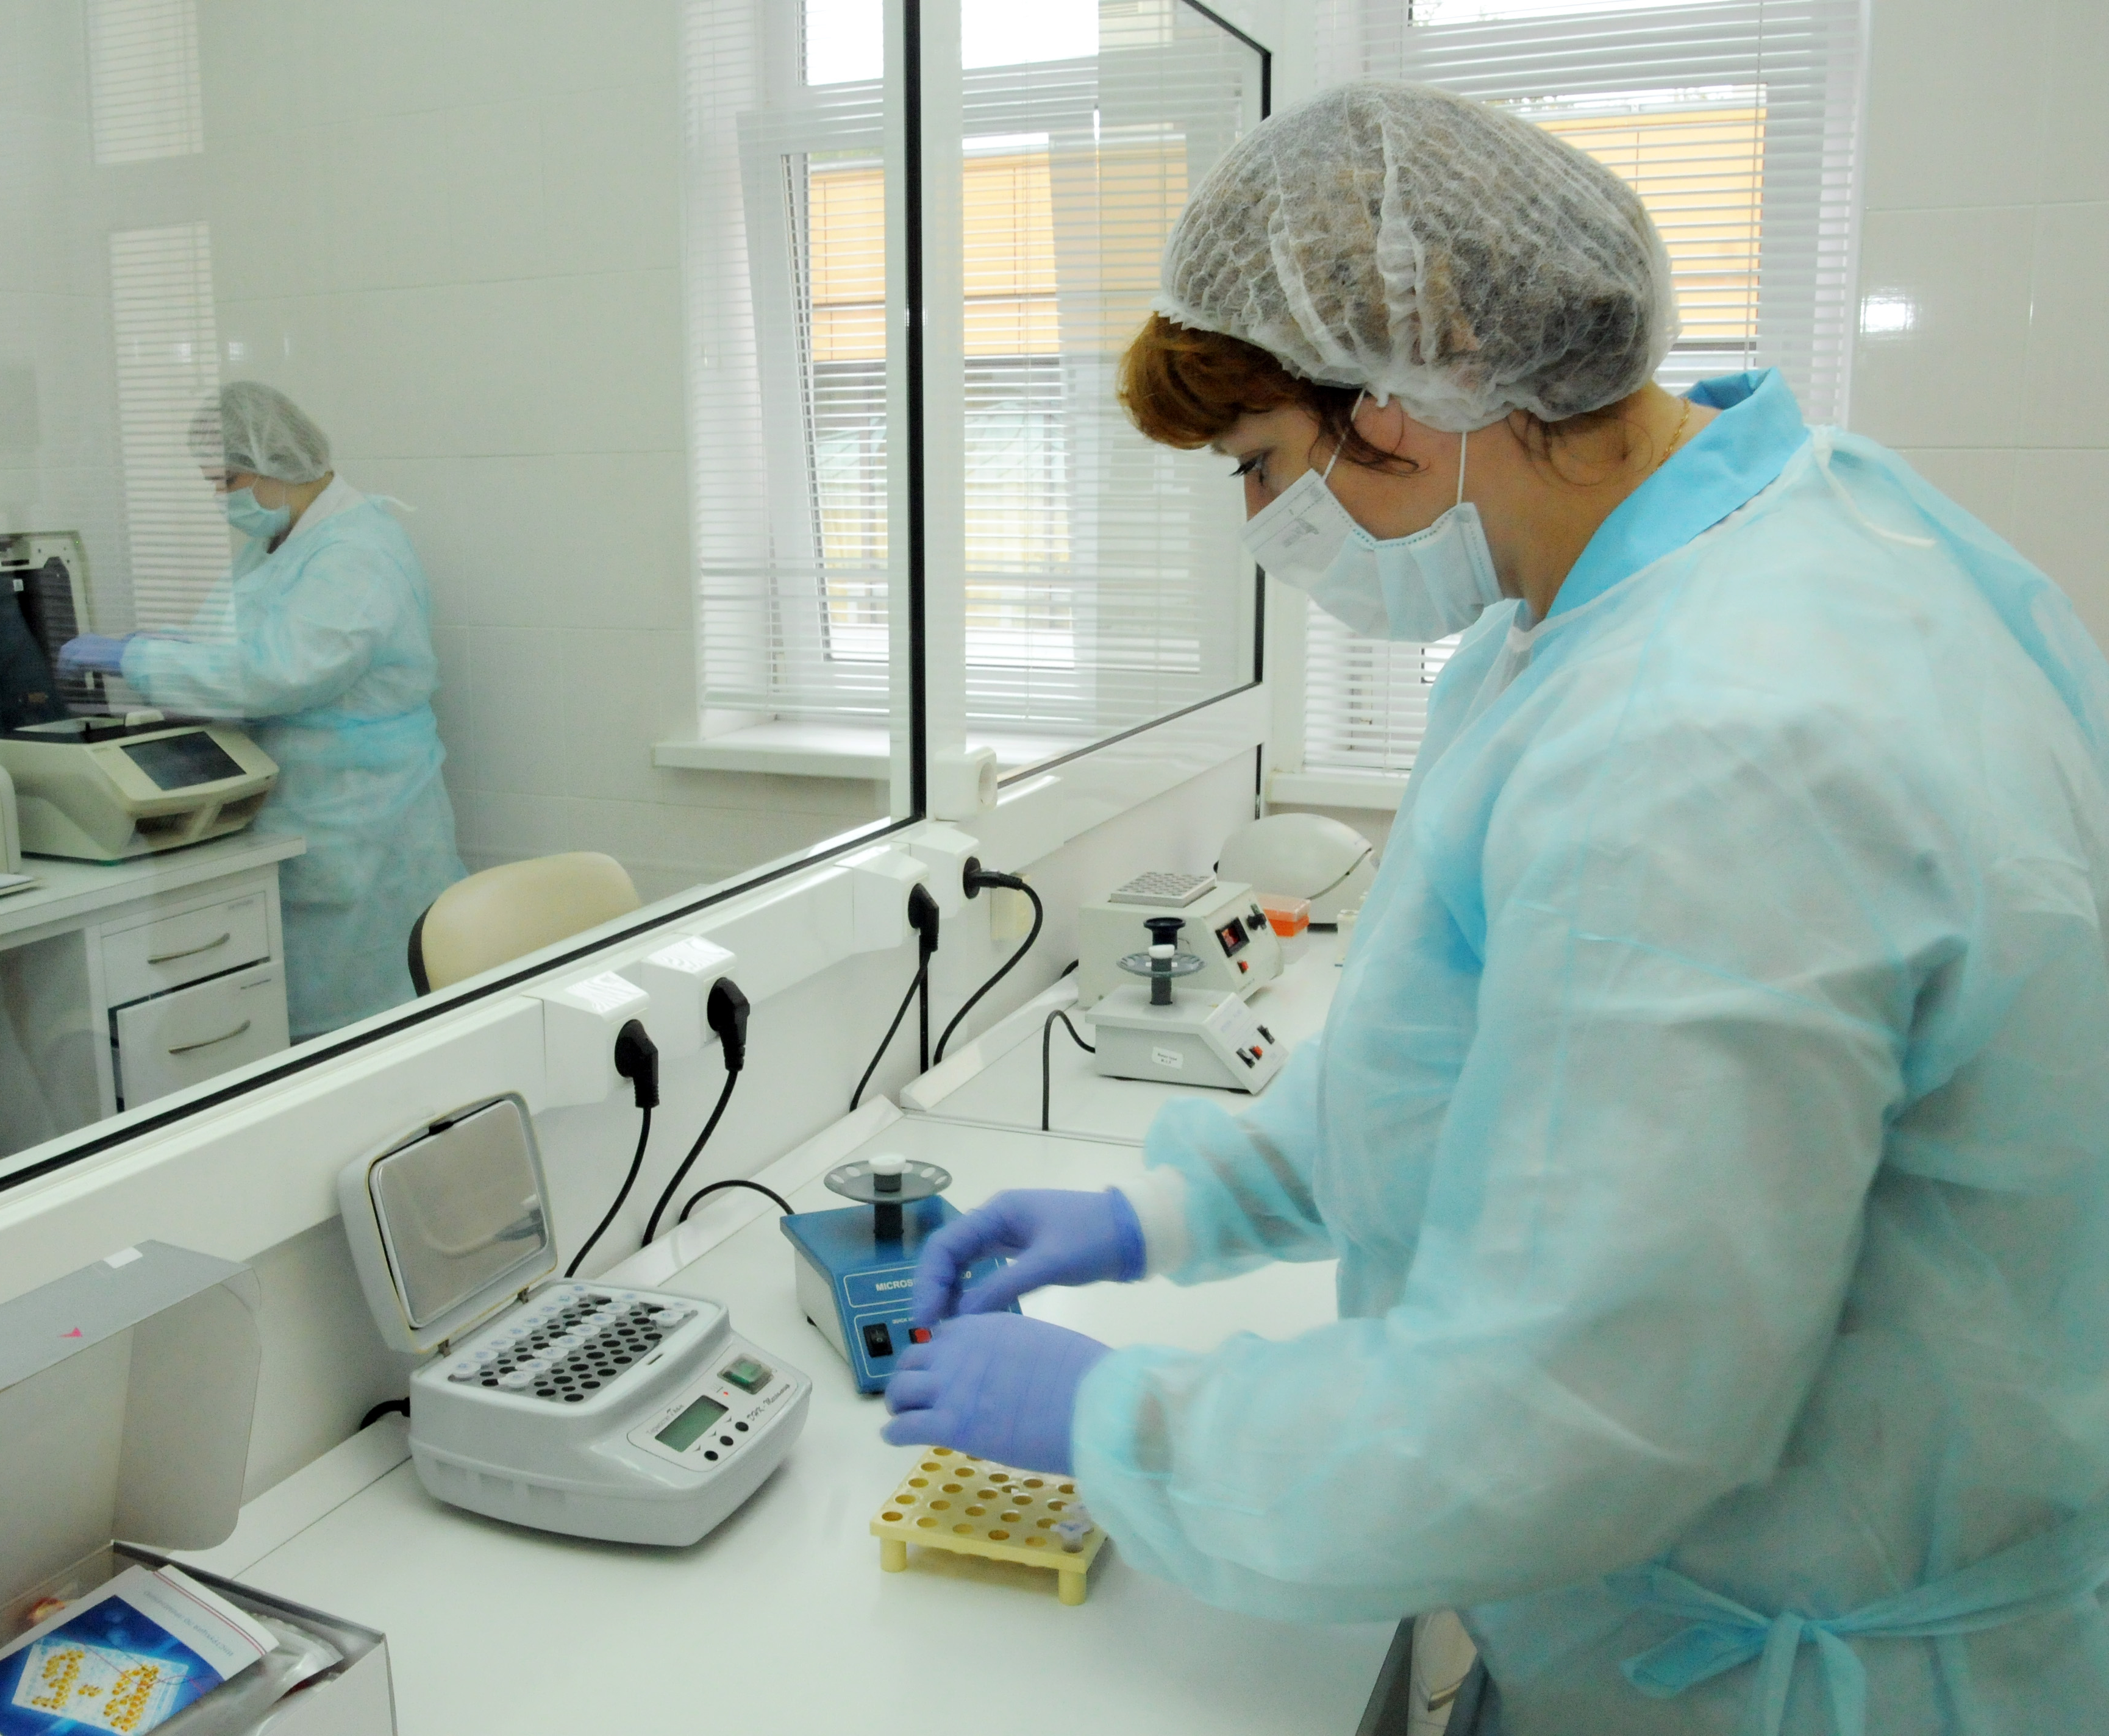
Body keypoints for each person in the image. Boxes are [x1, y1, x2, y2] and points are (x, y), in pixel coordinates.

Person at [885, 80, 2109, 1735]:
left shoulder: (1709, 740)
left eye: (1261, 466)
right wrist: (1166, 1214)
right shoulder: (1690, 571)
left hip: (1801, 1684)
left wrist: (1128, 1426)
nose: (1262, 526)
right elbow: (1445, 1064)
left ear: (1396, 407)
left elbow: (1572, 1417)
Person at [59, 382, 465, 1036]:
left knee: (375, 1020)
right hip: (305, 813)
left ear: (274, 463)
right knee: (300, 1024)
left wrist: (139, 660)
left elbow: (276, 673)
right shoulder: (284, 538)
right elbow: (241, 641)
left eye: (227, 481)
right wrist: (170, 646)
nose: (222, 499)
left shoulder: (356, 553)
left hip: (363, 818)